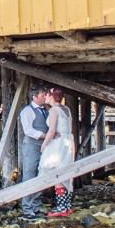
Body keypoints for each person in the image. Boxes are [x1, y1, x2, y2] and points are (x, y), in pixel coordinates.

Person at [40, 87, 76, 217]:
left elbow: (52, 131)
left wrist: (44, 145)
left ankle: (61, 208)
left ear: (52, 97)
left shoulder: (53, 110)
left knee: (56, 170)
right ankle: (67, 206)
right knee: (65, 171)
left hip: (58, 143)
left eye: (47, 95)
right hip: (68, 141)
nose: (45, 97)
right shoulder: (66, 109)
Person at [17, 86, 50, 220]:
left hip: (44, 146)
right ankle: (27, 208)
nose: (45, 97)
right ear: (34, 97)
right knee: (29, 175)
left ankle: (36, 206)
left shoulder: (46, 110)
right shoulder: (27, 111)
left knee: (40, 174)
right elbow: (28, 130)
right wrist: (45, 135)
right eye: (42, 95)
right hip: (32, 146)